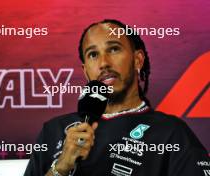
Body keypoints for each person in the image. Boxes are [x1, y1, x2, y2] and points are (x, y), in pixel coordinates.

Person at [24, 19, 210, 176]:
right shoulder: (53, 130)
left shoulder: (172, 133)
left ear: (138, 59)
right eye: (93, 54)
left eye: (113, 49)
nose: (104, 63)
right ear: (86, 71)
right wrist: (61, 167)